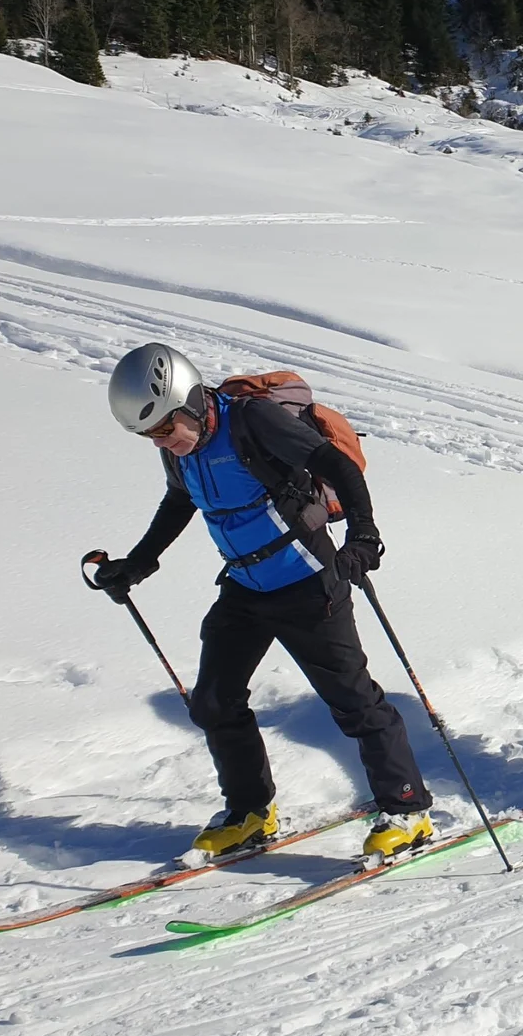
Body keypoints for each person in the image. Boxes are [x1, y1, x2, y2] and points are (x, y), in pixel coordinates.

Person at [94, 343, 434, 860]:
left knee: (354, 702)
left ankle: (408, 810)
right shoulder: (180, 447)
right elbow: (180, 500)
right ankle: (251, 812)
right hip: (245, 586)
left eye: (165, 429)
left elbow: (338, 466)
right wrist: (138, 563)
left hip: (308, 581)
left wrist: (364, 536)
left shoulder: (252, 420)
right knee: (213, 702)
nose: (161, 442)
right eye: (149, 436)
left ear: (189, 401)